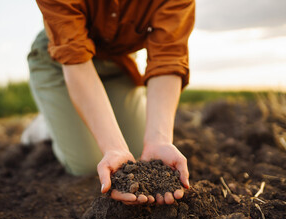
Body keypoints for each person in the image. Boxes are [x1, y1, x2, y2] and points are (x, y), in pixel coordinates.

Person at [27, 0, 195, 205]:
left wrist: (159, 140)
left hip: (117, 64)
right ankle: (49, 121)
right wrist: (113, 148)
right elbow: (75, 59)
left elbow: (168, 58)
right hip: (61, 63)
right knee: (87, 165)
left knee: (138, 153)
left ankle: (77, 114)